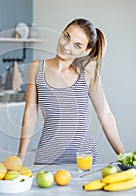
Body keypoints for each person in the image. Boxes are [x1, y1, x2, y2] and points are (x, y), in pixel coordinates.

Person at [17, 18, 125, 165]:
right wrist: (20, 158)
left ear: (86, 50)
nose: (66, 46)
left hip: (83, 159)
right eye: (66, 37)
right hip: (47, 157)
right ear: (62, 32)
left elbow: (105, 115)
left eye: (77, 45)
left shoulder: (88, 70)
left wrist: (124, 156)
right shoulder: (37, 67)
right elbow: (30, 113)